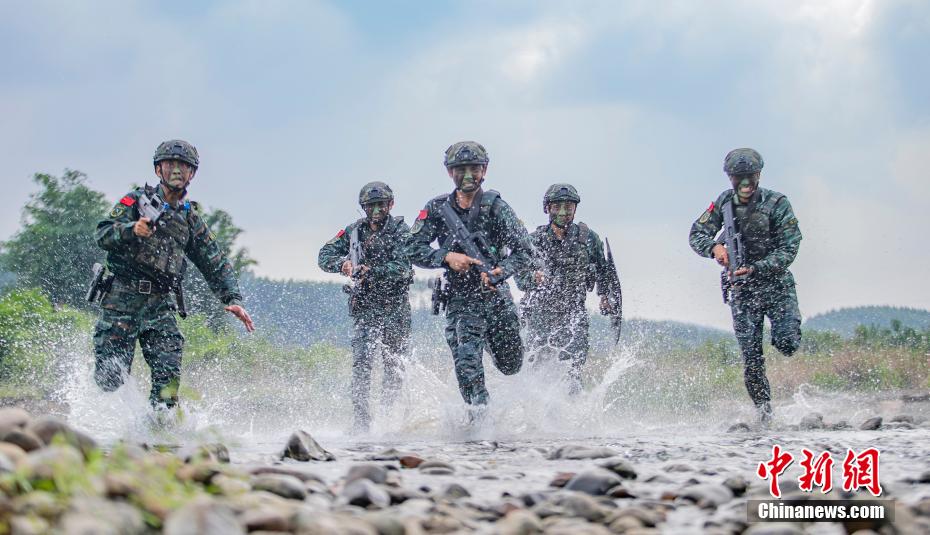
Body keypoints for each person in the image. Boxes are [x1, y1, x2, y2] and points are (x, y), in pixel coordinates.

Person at [93, 139, 254, 411]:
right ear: (159, 170)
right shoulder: (135, 201)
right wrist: (132, 229)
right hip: (121, 298)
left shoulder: (190, 218)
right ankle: (105, 432)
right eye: (171, 165)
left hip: (159, 304)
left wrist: (232, 298)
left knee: (167, 383)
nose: (177, 171)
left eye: (184, 166)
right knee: (110, 378)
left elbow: (214, 260)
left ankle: (159, 436)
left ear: (192, 174)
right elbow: (102, 233)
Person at [407, 141, 532, 421]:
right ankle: (481, 425)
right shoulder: (437, 209)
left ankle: (486, 341)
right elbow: (411, 247)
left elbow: (526, 253)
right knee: (467, 365)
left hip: (496, 298)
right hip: (461, 301)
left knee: (511, 365)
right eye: (460, 169)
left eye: (473, 169)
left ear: (484, 170)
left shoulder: (497, 208)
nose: (467, 176)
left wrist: (502, 271)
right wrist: (446, 256)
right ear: (449, 172)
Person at [689, 148, 802, 425]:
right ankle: (764, 414)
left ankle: (786, 336)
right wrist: (715, 247)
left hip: (776, 286)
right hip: (742, 291)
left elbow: (790, 246)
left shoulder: (777, 203)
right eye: (738, 178)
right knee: (751, 359)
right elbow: (696, 233)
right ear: (730, 178)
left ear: (759, 175)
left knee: (787, 343)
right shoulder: (723, 203)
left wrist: (757, 267)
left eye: (750, 177)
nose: (745, 184)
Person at [318, 181, 413, 433]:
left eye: (381, 205)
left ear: (391, 205)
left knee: (393, 366)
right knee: (362, 365)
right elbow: (323, 255)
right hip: (365, 308)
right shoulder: (354, 231)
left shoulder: (401, 231)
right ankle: (361, 422)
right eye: (371, 206)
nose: (376, 211)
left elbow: (404, 267)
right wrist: (343, 264)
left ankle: (388, 420)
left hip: (395, 308)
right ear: (363, 207)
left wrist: (373, 271)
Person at [515, 184, 614, 395]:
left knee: (572, 370)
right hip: (540, 315)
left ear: (575, 209)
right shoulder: (534, 241)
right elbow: (520, 278)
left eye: (568, 207)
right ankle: (538, 420)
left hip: (573, 314)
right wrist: (534, 278)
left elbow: (603, 271)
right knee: (537, 372)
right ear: (547, 209)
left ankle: (570, 420)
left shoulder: (589, 239)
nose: (562, 212)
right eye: (557, 207)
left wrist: (605, 297)